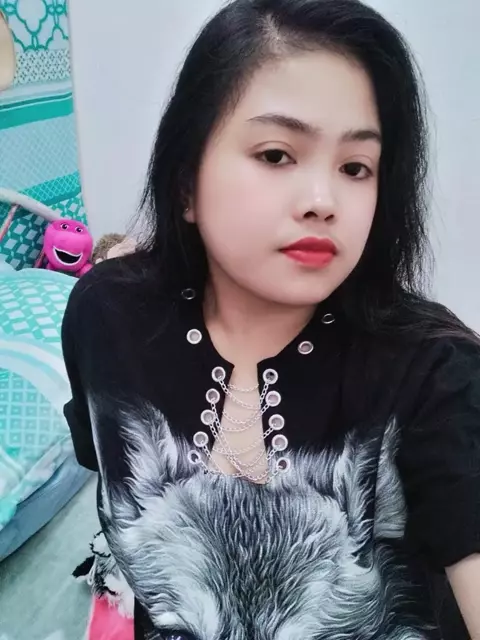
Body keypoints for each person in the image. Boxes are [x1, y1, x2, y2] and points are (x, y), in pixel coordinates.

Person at [61, 0, 480, 637]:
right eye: (277, 154)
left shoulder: (435, 373)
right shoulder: (109, 319)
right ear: (185, 183)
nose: (323, 201)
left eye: (355, 167)